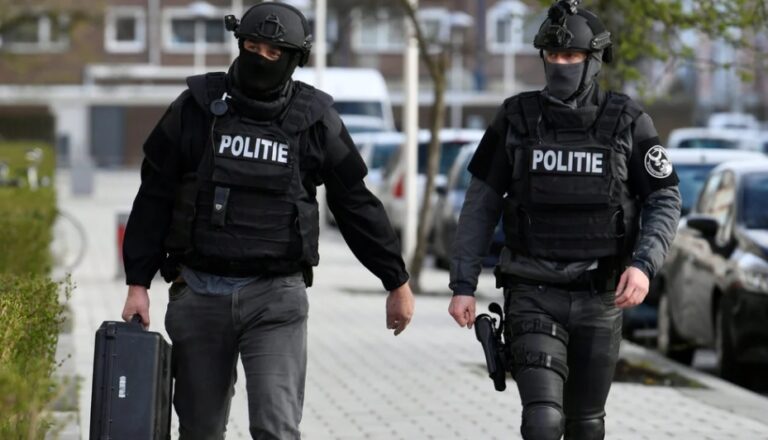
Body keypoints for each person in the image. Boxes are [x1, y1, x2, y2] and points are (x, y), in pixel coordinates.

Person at [120, 3, 414, 439]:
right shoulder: (196, 108)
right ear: (239, 44)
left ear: (294, 59)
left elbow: (355, 203)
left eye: (274, 53)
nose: (262, 58)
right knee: (199, 430)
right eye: (253, 47)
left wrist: (396, 280)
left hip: (275, 298)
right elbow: (154, 196)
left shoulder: (314, 120)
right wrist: (137, 283)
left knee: (276, 428)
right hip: (199, 292)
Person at [448, 1, 681, 439]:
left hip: (600, 295)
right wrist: (463, 284)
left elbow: (665, 198)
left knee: (586, 426)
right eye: (552, 55)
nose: (560, 64)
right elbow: (480, 204)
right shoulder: (515, 119)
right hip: (532, 291)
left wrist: (643, 265)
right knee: (543, 422)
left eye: (571, 55)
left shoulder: (627, 121)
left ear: (594, 59)